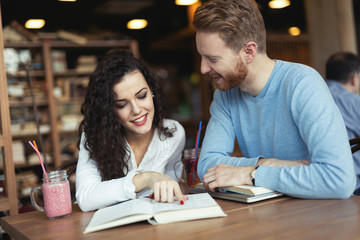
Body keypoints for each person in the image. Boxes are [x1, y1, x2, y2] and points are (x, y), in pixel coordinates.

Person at [193, 0, 356, 198]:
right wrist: (267, 163)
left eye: (212, 59)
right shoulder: (225, 94)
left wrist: (252, 173)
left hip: (320, 215)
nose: (203, 68)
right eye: (202, 57)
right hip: (269, 216)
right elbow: (207, 166)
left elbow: (339, 180)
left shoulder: (302, 83)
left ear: (248, 52)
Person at [75, 49, 187, 212]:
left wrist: (179, 187)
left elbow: (172, 182)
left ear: (152, 91)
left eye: (142, 96)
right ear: (109, 109)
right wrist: (146, 178)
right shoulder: (94, 136)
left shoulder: (174, 132)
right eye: (122, 104)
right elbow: (86, 198)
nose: (136, 110)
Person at [325, 52, 360, 195]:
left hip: (319, 180)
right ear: (355, 78)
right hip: (354, 186)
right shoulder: (355, 102)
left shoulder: (313, 96)